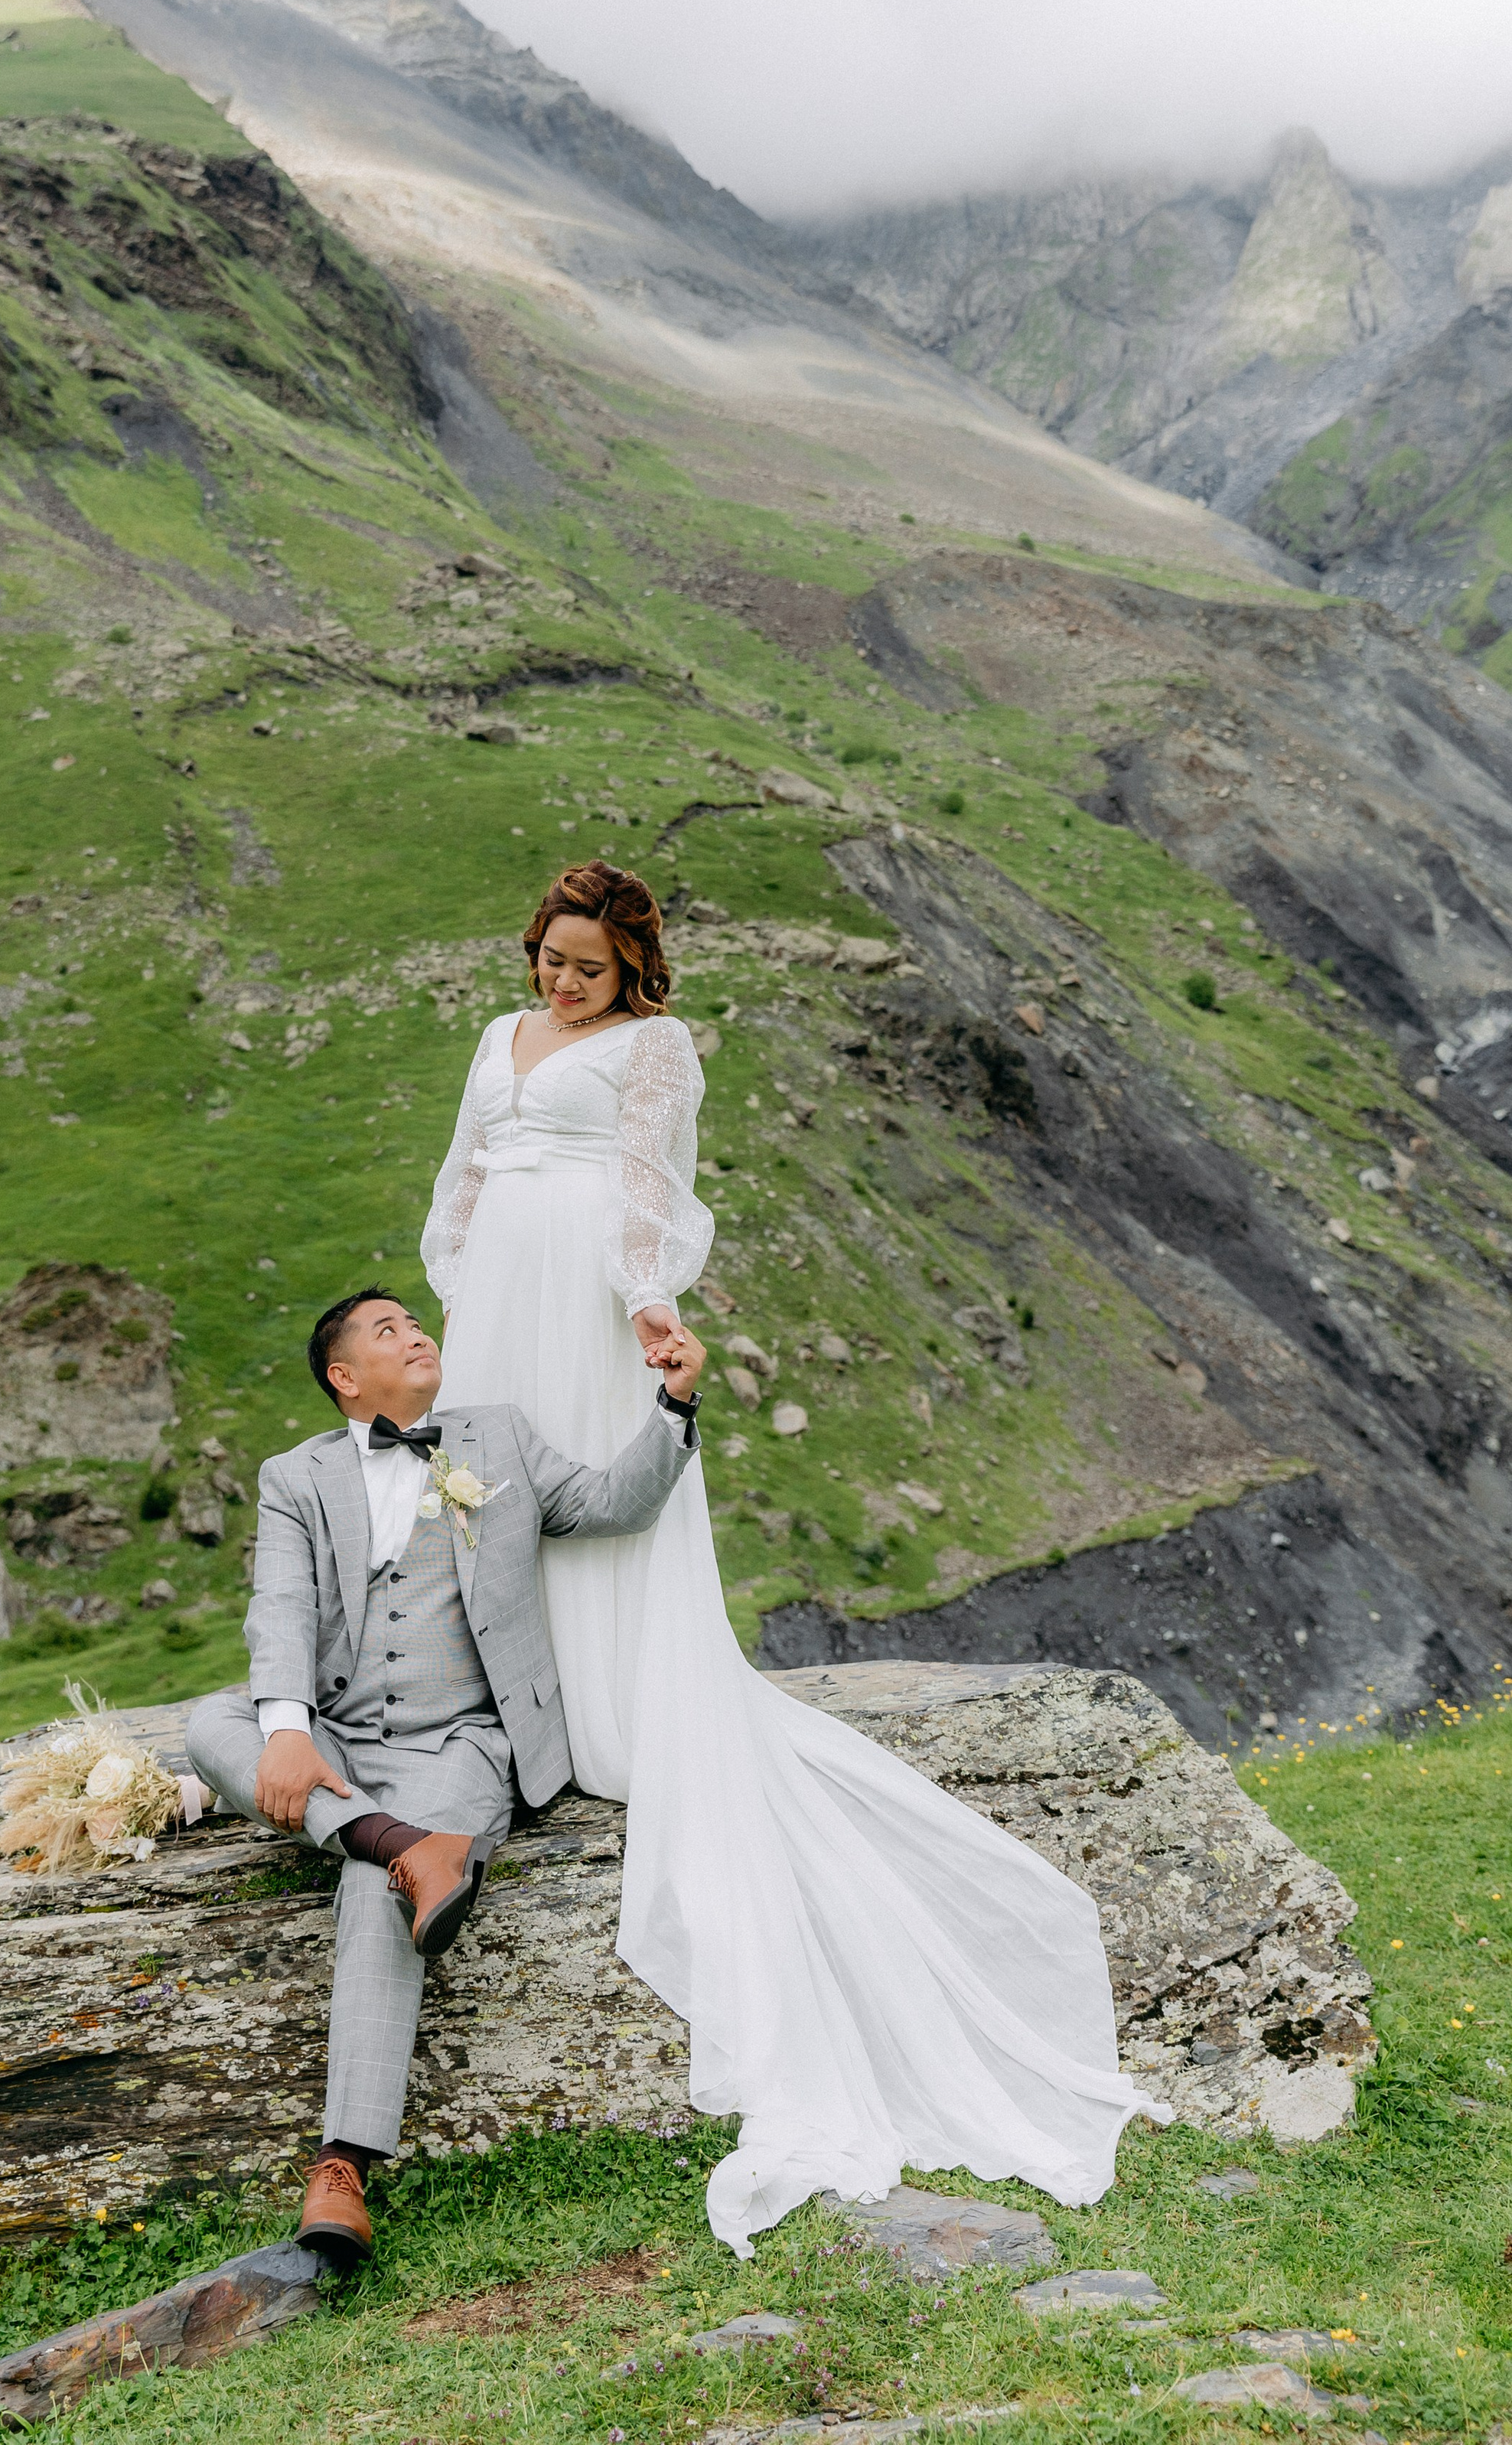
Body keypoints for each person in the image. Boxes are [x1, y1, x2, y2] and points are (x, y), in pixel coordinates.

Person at [424, 859, 1169, 2259]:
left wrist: (647, 1307)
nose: (559, 983)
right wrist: (459, 1291)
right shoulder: (495, 1040)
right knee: (503, 1496)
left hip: (585, 1298)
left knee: (599, 1490)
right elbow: (465, 1172)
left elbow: (646, 1189)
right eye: (548, 960)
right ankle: (529, 1704)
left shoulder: (656, 1051)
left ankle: (616, 1696)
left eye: (585, 966)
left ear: (632, 968)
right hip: (498, 1304)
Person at [185, 1282, 707, 2261]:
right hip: (339, 1730)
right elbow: (282, 1609)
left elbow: (609, 1506)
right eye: (388, 1331)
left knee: (369, 1892)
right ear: (345, 1378)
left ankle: (341, 2167)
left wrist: (674, 1403)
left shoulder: (495, 1436)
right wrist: (290, 1729)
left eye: (416, 1323)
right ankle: (404, 1845)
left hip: (460, 1741)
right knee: (209, 1722)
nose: (415, 1334)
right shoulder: (294, 1477)